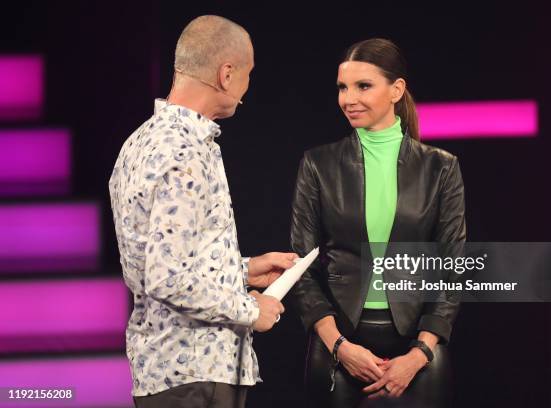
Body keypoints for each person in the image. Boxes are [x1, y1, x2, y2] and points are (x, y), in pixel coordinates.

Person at [109, 15, 297, 408]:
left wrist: (243, 269)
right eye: (247, 74)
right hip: (193, 378)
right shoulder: (184, 151)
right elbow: (168, 278)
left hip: (173, 374)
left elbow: (162, 260)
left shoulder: (139, 142)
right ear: (227, 74)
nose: (247, 87)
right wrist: (250, 308)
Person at [290, 38, 466, 407]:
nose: (348, 98)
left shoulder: (440, 167)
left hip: (417, 351)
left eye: (363, 86)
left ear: (396, 90)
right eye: (342, 87)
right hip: (338, 346)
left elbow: (453, 268)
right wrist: (340, 345)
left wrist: (419, 354)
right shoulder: (318, 164)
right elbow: (300, 268)